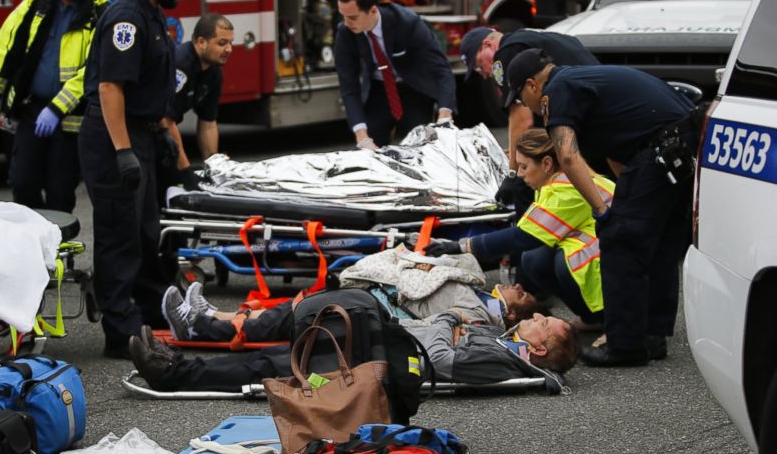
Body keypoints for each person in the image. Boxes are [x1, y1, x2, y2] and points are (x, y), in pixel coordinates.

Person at [501, 48, 700, 367]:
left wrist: (603, 211)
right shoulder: (585, 80)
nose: (527, 106)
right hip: (683, 146)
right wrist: (627, 201)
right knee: (661, 241)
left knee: (620, 242)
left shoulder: (558, 91)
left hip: (662, 150)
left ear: (533, 85)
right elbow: (617, 151)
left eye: (523, 98)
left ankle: (625, 346)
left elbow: (566, 155)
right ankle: (651, 334)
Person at [79, 0, 196, 359]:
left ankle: (151, 313)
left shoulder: (150, 13)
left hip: (140, 133)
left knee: (146, 232)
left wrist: (159, 131)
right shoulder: (127, 17)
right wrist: (123, 150)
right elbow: (111, 87)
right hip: (115, 136)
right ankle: (121, 331)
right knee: (120, 235)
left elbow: (149, 85)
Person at [418, 128, 613, 331]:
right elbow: (531, 229)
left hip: (618, 247)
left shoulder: (566, 189)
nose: (519, 174)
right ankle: (591, 318)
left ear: (546, 164)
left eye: (523, 167)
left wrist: (462, 246)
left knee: (564, 265)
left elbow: (524, 236)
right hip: (601, 237)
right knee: (534, 259)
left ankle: (609, 319)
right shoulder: (556, 181)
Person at [0, 0, 112, 212]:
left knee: (60, 191)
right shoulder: (35, 4)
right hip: (30, 111)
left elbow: (95, 69)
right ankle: (34, 241)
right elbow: (6, 45)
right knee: (22, 182)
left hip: (72, 119)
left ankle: (57, 250)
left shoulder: (102, 12)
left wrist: (56, 107)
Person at [128, 310, 580, 393]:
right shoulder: (503, 343)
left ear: (537, 349)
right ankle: (189, 344)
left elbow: (440, 361)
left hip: (379, 364)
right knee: (298, 330)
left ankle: (172, 371)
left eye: (542, 323)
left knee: (279, 365)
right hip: (383, 343)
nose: (534, 317)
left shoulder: (502, 359)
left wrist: (446, 323)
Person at [161, 275, 550, 344]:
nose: (515, 287)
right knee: (297, 308)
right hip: (382, 297)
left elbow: (433, 324)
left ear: (511, 315)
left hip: (384, 314)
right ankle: (212, 317)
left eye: (523, 298)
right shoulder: (480, 293)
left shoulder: (483, 317)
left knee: (296, 319)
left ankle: (200, 326)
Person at [459, 26, 599, 212]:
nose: (484, 74)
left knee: (524, 184)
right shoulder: (540, 37)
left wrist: (513, 172)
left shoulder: (506, 53)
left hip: (583, 121)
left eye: (478, 65)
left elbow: (522, 120)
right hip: (598, 112)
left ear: (488, 45)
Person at [334, 0, 456, 149]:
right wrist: (362, 136)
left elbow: (440, 69)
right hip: (378, 90)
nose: (346, 23)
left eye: (352, 17)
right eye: (343, 16)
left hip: (413, 89)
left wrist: (445, 114)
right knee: (368, 154)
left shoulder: (408, 22)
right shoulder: (345, 32)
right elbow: (348, 86)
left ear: (373, 11)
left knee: (421, 150)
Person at [159, 13, 234, 193]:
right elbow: (166, 120)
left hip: (164, 134)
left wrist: (213, 167)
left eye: (231, 42)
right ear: (201, 42)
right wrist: (185, 171)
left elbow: (208, 124)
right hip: (145, 134)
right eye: (222, 43)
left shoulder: (214, 72)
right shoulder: (181, 65)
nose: (229, 49)